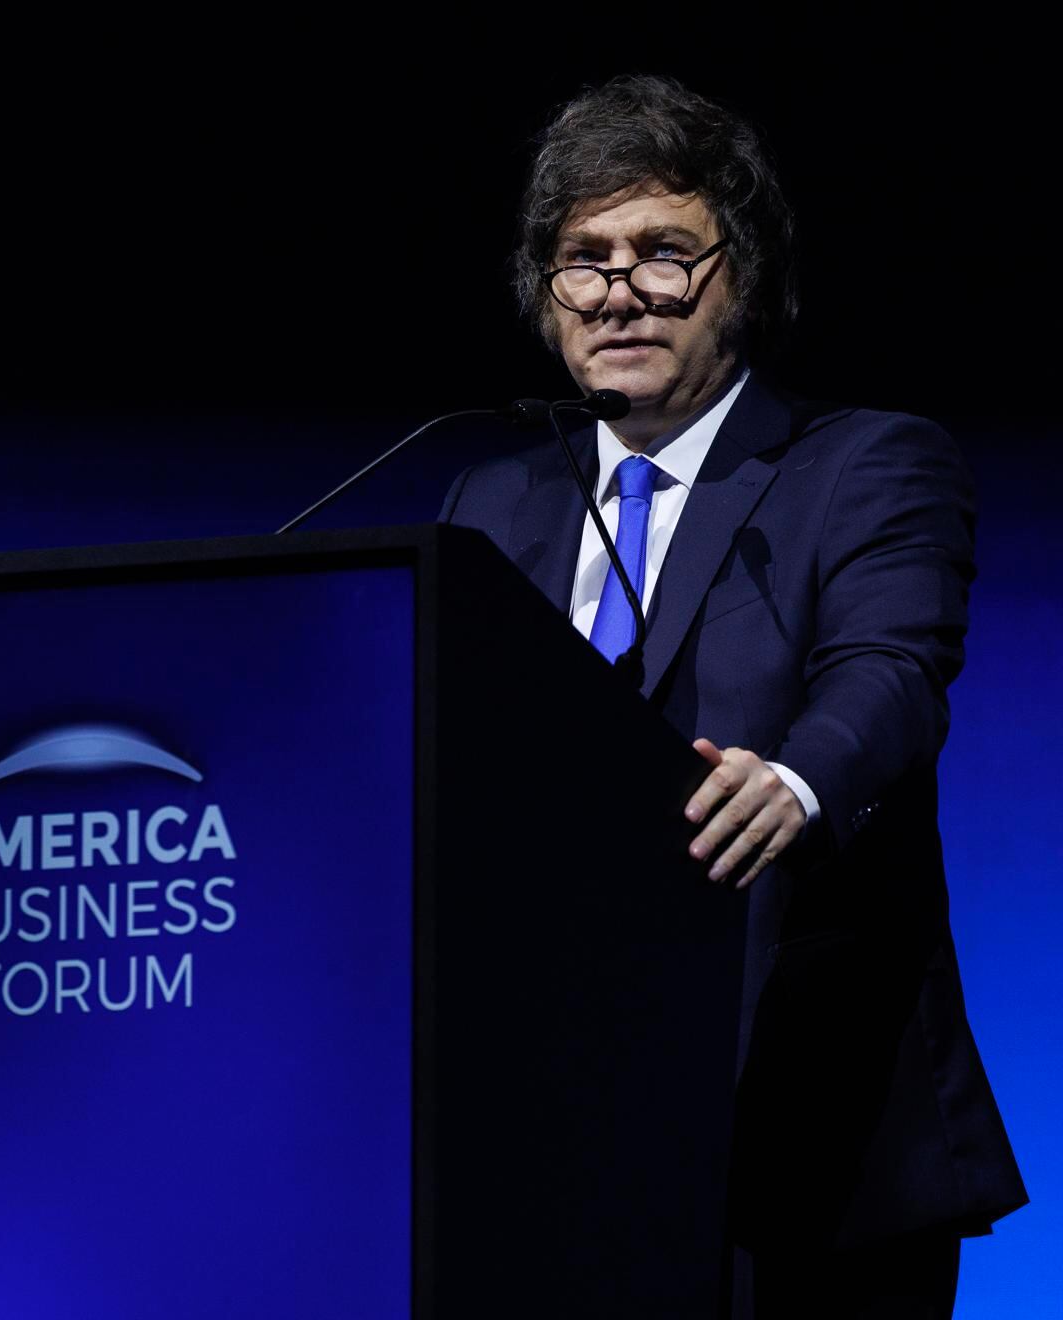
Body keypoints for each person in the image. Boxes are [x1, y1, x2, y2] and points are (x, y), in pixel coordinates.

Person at [438, 75, 1025, 1318]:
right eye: (583, 259)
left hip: (811, 1137)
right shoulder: (491, 504)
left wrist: (800, 779)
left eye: (664, 253)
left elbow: (893, 672)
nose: (620, 291)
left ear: (743, 278)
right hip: (555, 1142)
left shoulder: (865, 463)